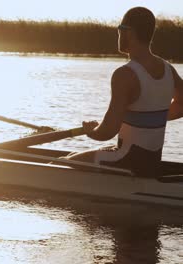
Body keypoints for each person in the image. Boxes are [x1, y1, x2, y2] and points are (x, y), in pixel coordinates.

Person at [67, 7, 183, 176]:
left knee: (64, 163)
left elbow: (107, 132)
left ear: (129, 32)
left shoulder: (124, 75)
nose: (119, 34)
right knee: (72, 155)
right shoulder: (168, 69)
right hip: (151, 163)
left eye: (120, 29)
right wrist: (150, 118)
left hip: (126, 162)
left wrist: (90, 131)